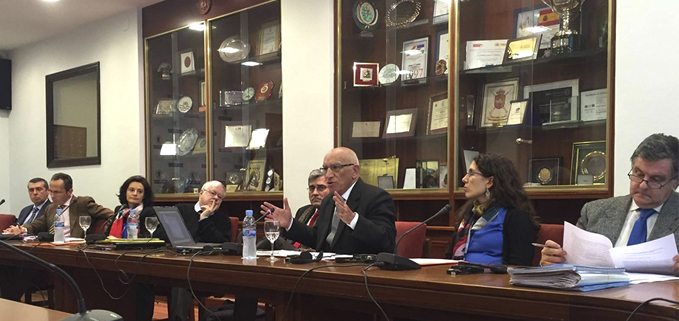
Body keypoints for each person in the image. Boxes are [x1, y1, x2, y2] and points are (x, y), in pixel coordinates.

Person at [540, 133, 679, 275]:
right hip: (599, 295)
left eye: (656, 179)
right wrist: (553, 261)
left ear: (675, 182)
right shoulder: (594, 211)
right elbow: (570, 267)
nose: (643, 185)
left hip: (658, 296)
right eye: (638, 174)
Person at [263, 147, 396, 254]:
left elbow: (386, 241)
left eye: (335, 168)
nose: (328, 175)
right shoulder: (328, 200)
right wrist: (290, 223)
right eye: (325, 169)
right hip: (326, 269)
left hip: (359, 273)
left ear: (354, 171)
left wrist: (354, 220)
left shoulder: (376, 197)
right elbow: (317, 238)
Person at [139, 180, 234, 321]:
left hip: (204, 268)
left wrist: (204, 219)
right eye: (213, 193)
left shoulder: (223, 220)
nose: (215, 198)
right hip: (173, 261)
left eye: (220, 197)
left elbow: (221, 244)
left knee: (183, 277)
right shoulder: (180, 210)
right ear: (201, 192)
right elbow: (162, 234)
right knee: (140, 275)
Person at [444, 153, 539, 266]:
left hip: (492, 282)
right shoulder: (469, 214)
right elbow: (449, 259)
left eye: (471, 173)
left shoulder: (516, 217)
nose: (464, 179)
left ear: (489, 181)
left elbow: (519, 266)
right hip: (457, 277)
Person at [3, 172, 113, 237]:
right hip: (54, 247)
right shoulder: (51, 208)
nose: (52, 196)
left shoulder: (82, 203)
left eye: (57, 192)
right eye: (51, 191)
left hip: (75, 250)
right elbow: (36, 225)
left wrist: (104, 232)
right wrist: (21, 229)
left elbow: (112, 215)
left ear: (70, 192)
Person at [257, 169, 330, 251]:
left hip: (309, 256)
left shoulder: (333, 215)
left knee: (277, 242)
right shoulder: (304, 210)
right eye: (311, 188)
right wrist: (289, 224)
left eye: (321, 188)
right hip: (290, 256)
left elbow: (318, 241)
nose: (315, 193)